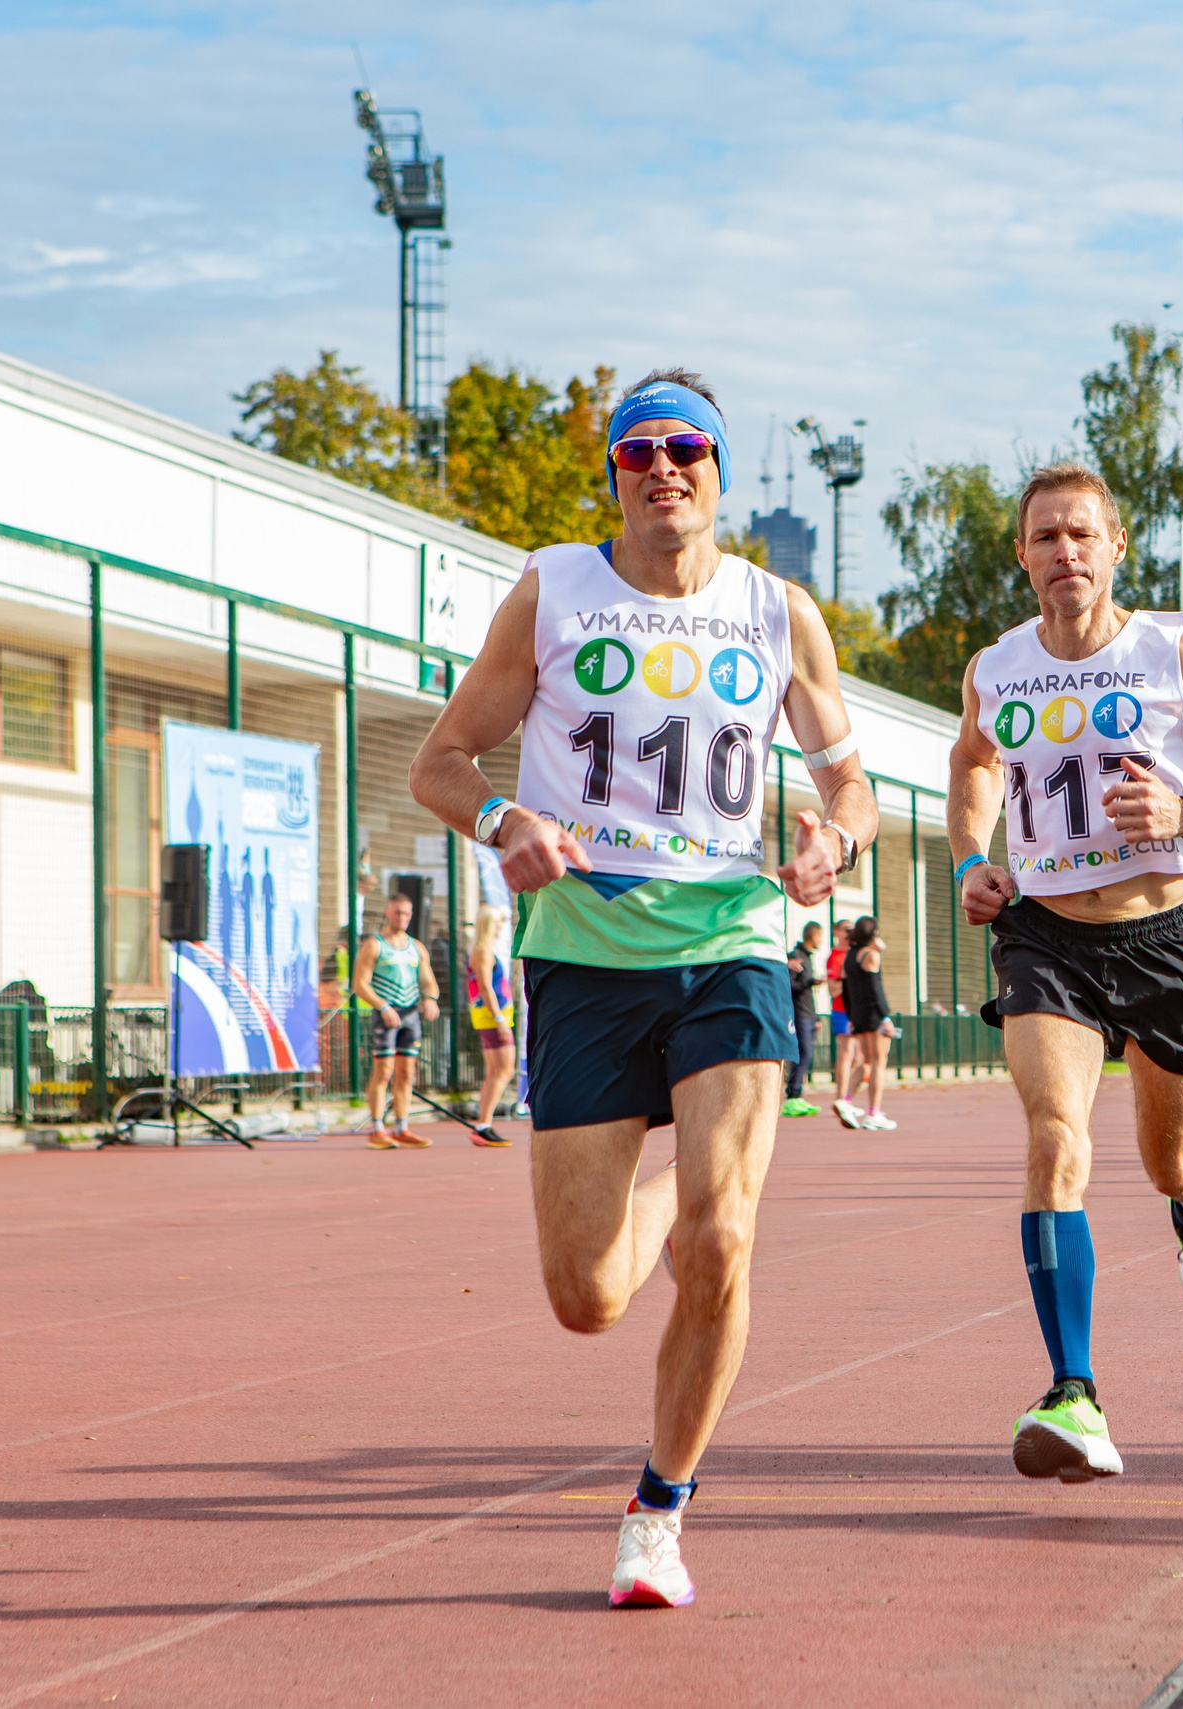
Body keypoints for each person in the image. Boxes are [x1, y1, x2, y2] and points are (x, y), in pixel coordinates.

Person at [408, 368, 878, 1608]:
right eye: (638, 451)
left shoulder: (777, 610)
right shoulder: (553, 589)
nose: (663, 468)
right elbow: (440, 761)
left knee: (724, 1238)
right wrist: (504, 819)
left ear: (719, 469)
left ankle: (658, 1512)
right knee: (589, 1298)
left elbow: (853, 785)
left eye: (686, 448)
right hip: (584, 952)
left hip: (731, 939)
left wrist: (835, 839)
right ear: (614, 474)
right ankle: (677, 1184)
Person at [949, 463, 1183, 1483]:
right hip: (1045, 938)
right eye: (1044, 536)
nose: (1064, 551)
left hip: (1165, 938)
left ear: (1115, 548)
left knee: (1167, 1160)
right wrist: (971, 858)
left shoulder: (1168, 652)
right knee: (1054, 1141)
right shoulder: (996, 666)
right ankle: (1074, 1392)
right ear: (1022, 555)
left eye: (1081, 534)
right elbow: (974, 761)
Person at [352, 893, 439, 1148]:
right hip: (386, 1016)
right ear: (388, 913)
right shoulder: (375, 945)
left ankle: (402, 1127)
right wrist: (383, 1006)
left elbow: (429, 982)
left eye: (407, 913)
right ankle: (377, 1127)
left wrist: (431, 999)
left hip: (410, 1016)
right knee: (383, 1071)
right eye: (397, 912)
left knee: (407, 1072)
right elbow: (360, 984)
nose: (402, 917)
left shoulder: (416, 947)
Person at [466, 904, 517, 1146]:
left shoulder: (481, 950)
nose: (500, 927)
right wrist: (499, 1020)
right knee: (504, 1070)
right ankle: (484, 1123)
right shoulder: (483, 952)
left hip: (489, 1016)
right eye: (497, 923)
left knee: (494, 1072)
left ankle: (483, 1123)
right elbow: (485, 987)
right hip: (492, 1017)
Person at [840, 915, 895, 1130]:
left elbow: (846, 991)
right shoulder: (871, 955)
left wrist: (851, 1017)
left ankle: (846, 1101)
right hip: (873, 1016)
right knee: (878, 1064)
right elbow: (875, 989)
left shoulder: (849, 956)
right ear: (873, 933)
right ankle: (873, 1113)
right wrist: (885, 1017)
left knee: (867, 1062)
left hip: (858, 1016)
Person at [783, 923, 823, 1117]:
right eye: (820, 936)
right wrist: (810, 982)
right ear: (813, 936)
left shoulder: (808, 957)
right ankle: (793, 1095)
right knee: (802, 1053)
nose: (821, 940)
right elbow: (789, 986)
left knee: (806, 1054)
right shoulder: (795, 956)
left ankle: (797, 1094)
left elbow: (808, 993)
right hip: (798, 1014)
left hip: (808, 1015)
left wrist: (816, 1018)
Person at [825, 920, 853, 1118]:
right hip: (842, 1010)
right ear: (836, 932)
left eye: (853, 930)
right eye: (846, 930)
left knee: (860, 1058)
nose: (849, 933)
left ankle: (847, 1098)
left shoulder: (856, 953)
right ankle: (840, 1098)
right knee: (846, 1053)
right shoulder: (835, 958)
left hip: (857, 1011)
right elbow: (833, 990)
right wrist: (850, 979)